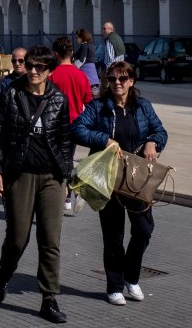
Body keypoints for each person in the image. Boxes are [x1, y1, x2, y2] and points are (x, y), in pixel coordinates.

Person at [71, 61, 168, 307]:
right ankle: (114, 285)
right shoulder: (99, 106)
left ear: (131, 81)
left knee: (144, 230)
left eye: (123, 79)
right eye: (112, 78)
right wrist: (103, 139)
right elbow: (77, 128)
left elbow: (160, 131)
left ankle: (131, 277)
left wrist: (153, 142)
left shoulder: (142, 106)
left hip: (137, 178)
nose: (117, 83)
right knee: (113, 234)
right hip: (109, 178)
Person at [0, 46, 71, 324]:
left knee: (50, 240)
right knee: (17, 238)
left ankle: (49, 298)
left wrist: (66, 176)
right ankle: (4, 275)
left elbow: (65, 141)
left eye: (40, 67)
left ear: (49, 71)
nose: (33, 71)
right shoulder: (11, 93)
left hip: (51, 178)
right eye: (30, 65)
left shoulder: (58, 98)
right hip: (19, 176)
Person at [49, 36, 93, 211]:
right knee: (67, 158)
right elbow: (89, 102)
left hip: (55, 125)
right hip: (75, 124)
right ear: (72, 53)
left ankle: (66, 192)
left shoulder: (53, 76)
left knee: (56, 161)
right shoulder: (81, 76)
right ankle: (69, 192)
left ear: (55, 54)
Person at [0, 47, 27, 120]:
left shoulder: (34, 81)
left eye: (21, 61)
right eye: (14, 61)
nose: (17, 63)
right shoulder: (5, 82)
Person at [74, 28, 101, 97]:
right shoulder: (91, 45)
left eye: (77, 37)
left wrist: (72, 67)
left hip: (86, 73)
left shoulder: (84, 46)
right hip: (93, 75)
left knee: (87, 95)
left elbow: (82, 60)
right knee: (94, 95)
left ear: (82, 37)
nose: (76, 39)